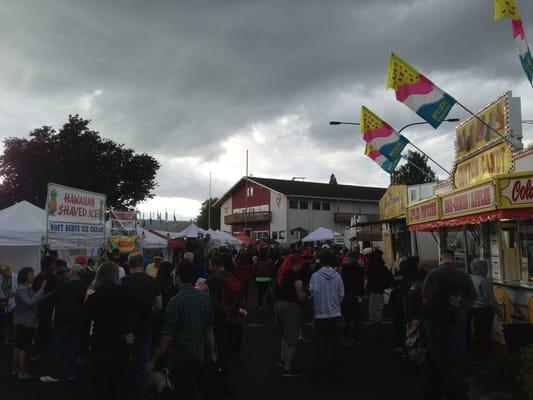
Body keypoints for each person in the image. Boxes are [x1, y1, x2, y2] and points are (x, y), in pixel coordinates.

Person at [147, 261, 216, 400]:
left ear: (178, 277)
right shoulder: (205, 298)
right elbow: (209, 329)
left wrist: (153, 358)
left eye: (174, 273)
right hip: (199, 354)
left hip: (181, 357)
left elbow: (167, 337)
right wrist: (213, 353)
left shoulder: (175, 301)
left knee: (185, 392)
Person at [82, 262, 136, 400]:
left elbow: (84, 322)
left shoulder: (94, 297)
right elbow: (137, 314)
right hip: (120, 343)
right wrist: (131, 332)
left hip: (100, 342)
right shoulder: (126, 293)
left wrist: (83, 349)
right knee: (119, 385)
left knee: (100, 385)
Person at [423, 249, 476, 371]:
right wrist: (464, 310)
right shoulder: (463, 274)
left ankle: (442, 373)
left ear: (441, 259)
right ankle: (458, 373)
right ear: (453, 259)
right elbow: (472, 297)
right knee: (459, 346)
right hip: (458, 315)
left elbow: (425, 297)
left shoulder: (432, 274)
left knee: (439, 346)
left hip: (436, 316)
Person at [121, 252, 162, 400]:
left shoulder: (123, 281)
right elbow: (159, 305)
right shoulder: (152, 281)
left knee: (126, 361)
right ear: (142, 264)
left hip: (127, 329)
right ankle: (142, 395)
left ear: (129, 264)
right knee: (144, 364)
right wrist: (150, 315)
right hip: (145, 326)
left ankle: (126, 392)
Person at [422, 278, 470, 400]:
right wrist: (454, 376)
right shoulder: (436, 320)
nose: (459, 298)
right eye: (455, 295)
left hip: (442, 370)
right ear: (445, 296)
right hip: (442, 370)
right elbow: (437, 350)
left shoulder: (445, 314)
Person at [40, 264, 88, 382]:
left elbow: (48, 300)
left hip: (62, 321)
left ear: (72, 272)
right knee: (73, 349)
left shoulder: (63, 287)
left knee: (57, 347)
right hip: (77, 321)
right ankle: (71, 373)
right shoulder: (85, 287)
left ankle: (54, 374)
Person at [206, 256, 242, 394]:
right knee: (224, 343)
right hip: (229, 314)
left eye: (210, 264)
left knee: (217, 343)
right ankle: (224, 372)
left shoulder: (214, 278)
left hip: (217, 315)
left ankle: (216, 373)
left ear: (215, 265)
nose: (209, 267)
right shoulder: (230, 275)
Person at [309, 249, 345, 381]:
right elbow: (341, 296)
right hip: (335, 314)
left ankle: (320, 372)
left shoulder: (315, 276)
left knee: (320, 346)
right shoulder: (338, 276)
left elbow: (312, 294)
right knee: (336, 345)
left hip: (320, 315)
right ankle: (336, 372)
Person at [13, 267, 47, 380]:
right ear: (25, 276)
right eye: (31, 274)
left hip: (24, 321)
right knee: (23, 347)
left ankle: (16, 370)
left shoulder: (26, 288)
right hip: (24, 322)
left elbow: (35, 299)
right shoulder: (22, 289)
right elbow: (29, 302)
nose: (33, 275)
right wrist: (42, 289)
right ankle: (22, 373)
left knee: (19, 346)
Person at [275, 253, 306, 377]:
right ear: (297, 263)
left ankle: (283, 360)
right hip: (291, 307)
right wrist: (304, 298)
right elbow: (299, 292)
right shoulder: (295, 275)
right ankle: (288, 368)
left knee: (283, 335)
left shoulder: (282, 273)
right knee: (292, 338)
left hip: (279, 305)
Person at [469, 259, 499, 359]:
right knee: (484, 333)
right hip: (485, 311)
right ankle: (484, 355)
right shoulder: (484, 281)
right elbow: (491, 299)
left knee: (477, 332)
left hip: (473, 310)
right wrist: (499, 312)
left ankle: (476, 354)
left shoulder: (470, 278)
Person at [31, 256, 58, 359]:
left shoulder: (38, 276)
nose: (55, 265)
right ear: (51, 264)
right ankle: (41, 350)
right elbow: (56, 293)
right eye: (54, 263)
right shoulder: (53, 277)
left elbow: (33, 289)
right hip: (49, 307)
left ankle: (37, 350)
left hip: (38, 305)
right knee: (45, 329)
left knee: (40, 328)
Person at [366, 249, 393, 338]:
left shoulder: (373, 266)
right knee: (378, 309)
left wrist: (367, 289)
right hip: (380, 291)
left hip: (374, 291)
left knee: (374, 310)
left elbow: (370, 279)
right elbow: (389, 277)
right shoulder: (381, 266)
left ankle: (377, 329)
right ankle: (378, 327)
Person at [340, 251, 364, 345]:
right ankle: (356, 337)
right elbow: (361, 282)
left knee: (346, 317)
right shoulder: (359, 268)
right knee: (356, 318)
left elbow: (340, 281)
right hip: (356, 295)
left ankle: (346, 337)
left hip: (345, 295)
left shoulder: (343, 268)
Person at [0, 264, 17, 344]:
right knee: (3, 321)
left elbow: (16, 291)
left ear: (9, 270)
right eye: (2, 273)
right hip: (2, 303)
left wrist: (8, 298)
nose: (4, 275)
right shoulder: (0, 278)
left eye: (6, 272)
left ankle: (13, 338)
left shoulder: (15, 277)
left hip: (12, 303)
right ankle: (4, 338)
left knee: (13, 321)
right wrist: (3, 299)